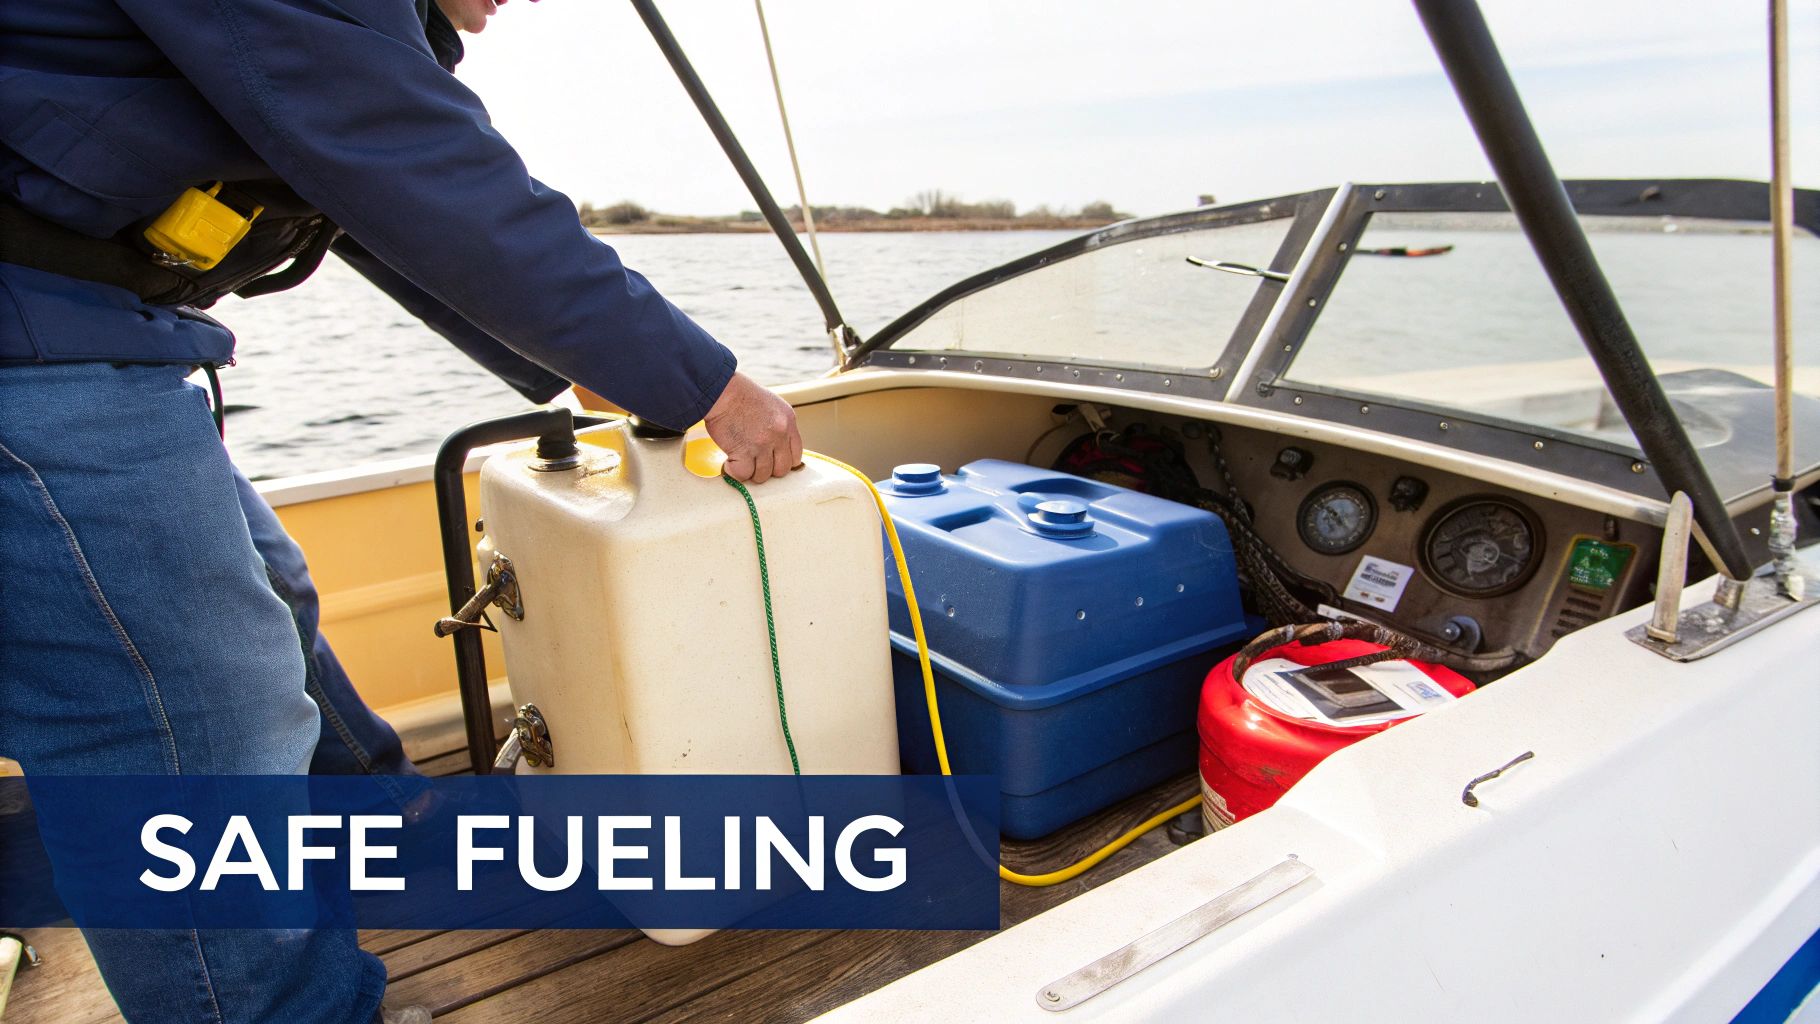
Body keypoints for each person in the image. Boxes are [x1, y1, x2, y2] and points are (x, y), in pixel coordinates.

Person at [0, 1, 802, 1021]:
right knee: (190, 725)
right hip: (35, 338)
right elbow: (413, 163)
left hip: (97, 326)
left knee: (269, 594)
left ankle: (386, 824)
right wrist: (704, 383)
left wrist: (588, 362)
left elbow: (371, 197)